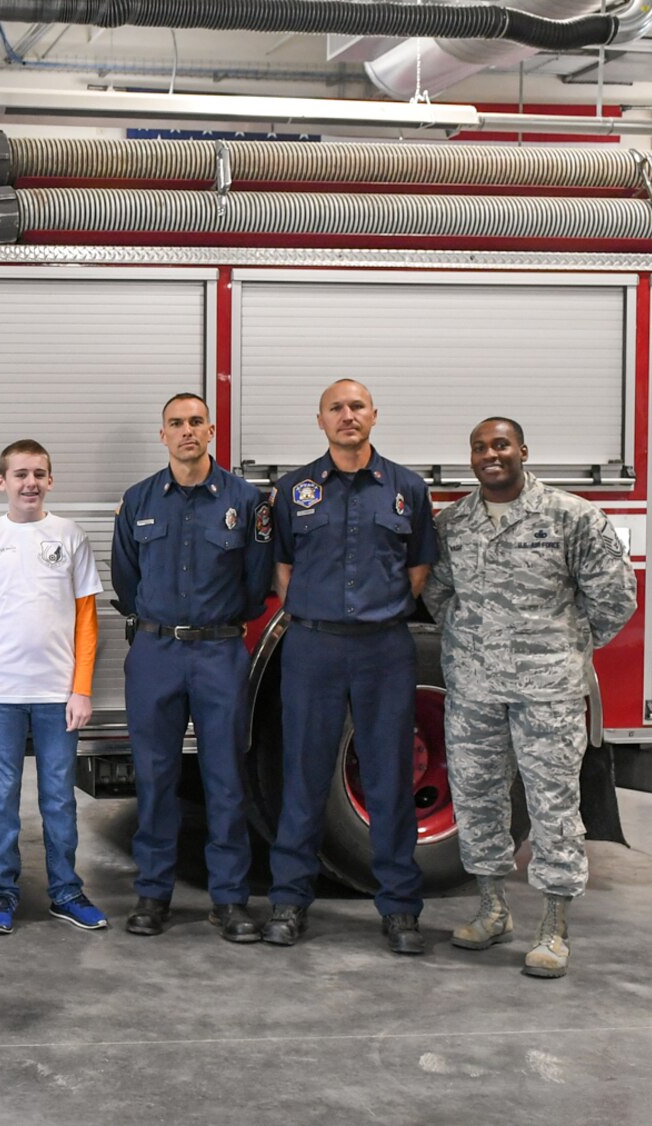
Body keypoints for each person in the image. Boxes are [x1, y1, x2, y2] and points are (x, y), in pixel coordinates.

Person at [423, 417, 636, 978]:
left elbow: (615, 597)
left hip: (549, 693)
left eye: (500, 445)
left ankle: (554, 925)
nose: (490, 455)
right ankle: (493, 910)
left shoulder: (571, 516)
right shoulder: (455, 523)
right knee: (477, 799)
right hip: (473, 689)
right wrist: (477, 646)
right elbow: (440, 594)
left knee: (552, 806)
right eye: (479, 447)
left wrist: (562, 646)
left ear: (522, 450)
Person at [266, 379, 437, 955]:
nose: (347, 415)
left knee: (388, 777)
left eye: (356, 406)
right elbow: (283, 567)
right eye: (336, 408)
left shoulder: (407, 489)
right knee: (304, 775)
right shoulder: (295, 490)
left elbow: (418, 572)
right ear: (320, 421)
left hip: (383, 649)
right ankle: (289, 901)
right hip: (312, 647)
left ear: (374, 416)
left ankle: (399, 909)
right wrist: (319, 615)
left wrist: (373, 615)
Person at [110, 394, 274, 943]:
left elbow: (256, 586)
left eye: (195, 422)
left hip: (220, 652)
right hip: (155, 653)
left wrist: (218, 626)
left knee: (224, 777)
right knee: (154, 777)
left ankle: (229, 899)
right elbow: (126, 581)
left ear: (212, 430)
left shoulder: (245, 500)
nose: (186, 431)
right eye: (176, 423)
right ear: (163, 435)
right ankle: (153, 892)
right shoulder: (138, 501)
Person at [0, 439, 105, 936]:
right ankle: (1, 894)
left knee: (59, 797)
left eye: (39, 473)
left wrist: (80, 688)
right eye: (20, 474)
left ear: (50, 480)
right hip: (0, 694)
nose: (30, 483)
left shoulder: (70, 535)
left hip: (57, 695)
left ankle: (66, 892)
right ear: (2, 482)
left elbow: (87, 618)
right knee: (0, 796)